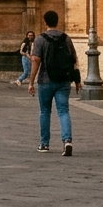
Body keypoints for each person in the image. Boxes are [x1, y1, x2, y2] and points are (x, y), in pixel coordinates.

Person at [29, 10, 80, 156]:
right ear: (57, 21)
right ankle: (67, 141)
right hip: (63, 81)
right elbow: (74, 59)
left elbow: (35, 61)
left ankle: (44, 144)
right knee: (63, 111)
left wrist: (31, 82)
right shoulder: (66, 38)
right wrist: (77, 80)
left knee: (45, 112)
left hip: (45, 81)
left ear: (45, 21)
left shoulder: (40, 39)